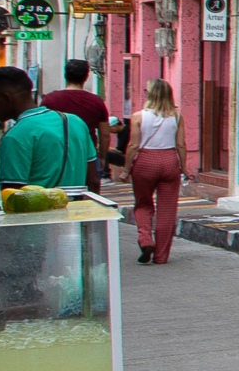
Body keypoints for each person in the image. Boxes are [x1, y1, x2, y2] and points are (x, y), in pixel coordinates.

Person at [0, 68, 98, 189]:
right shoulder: (75, 121)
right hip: (79, 201)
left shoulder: (15, 136)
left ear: (6, 98)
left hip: (39, 201)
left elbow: (12, 191)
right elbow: (93, 180)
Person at [126, 83, 184, 264]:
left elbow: (133, 145)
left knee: (143, 204)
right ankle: (161, 256)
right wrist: (184, 167)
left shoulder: (138, 116)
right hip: (169, 161)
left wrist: (126, 169)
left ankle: (145, 239)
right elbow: (181, 144)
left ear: (149, 94)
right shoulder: (177, 116)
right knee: (167, 210)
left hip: (146, 161)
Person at [38, 60, 113, 196]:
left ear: (65, 75)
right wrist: (102, 157)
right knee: (89, 194)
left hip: (56, 154)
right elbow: (104, 134)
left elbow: (40, 127)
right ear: (86, 76)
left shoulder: (50, 100)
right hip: (86, 154)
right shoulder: (96, 101)